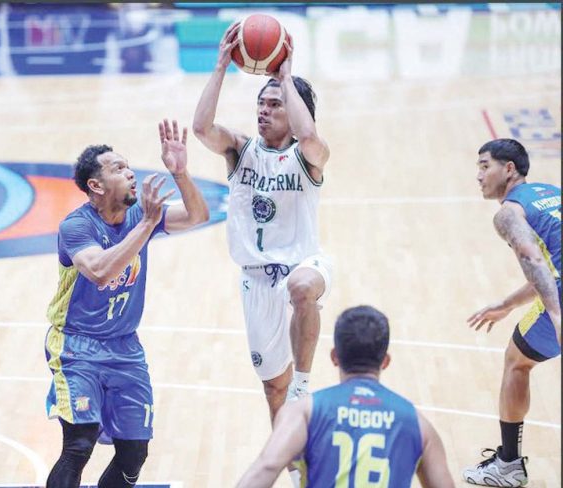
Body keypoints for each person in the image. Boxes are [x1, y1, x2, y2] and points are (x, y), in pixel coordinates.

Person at [193, 22, 333, 483]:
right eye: (262, 103)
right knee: (274, 391)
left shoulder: (307, 155)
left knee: (302, 287)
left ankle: (306, 379)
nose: (264, 111)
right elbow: (201, 128)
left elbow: (311, 138)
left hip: (303, 265)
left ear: (293, 112)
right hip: (255, 281)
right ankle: (296, 472)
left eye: (275, 104)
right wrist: (219, 67)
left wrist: (287, 78)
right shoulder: (240, 150)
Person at [44, 119, 209, 487]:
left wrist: (180, 174)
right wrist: (147, 225)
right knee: (79, 444)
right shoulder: (77, 227)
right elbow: (101, 271)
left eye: (129, 165)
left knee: (134, 452)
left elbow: (199, 215)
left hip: (125, 347)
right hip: (76, 345)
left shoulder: (139, 217)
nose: (131, 173)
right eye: (119, 168)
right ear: (96, 185)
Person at [236, 305, 455, 488]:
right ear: (385, 361)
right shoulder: (418, 425)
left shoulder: (303, 412)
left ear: (334, 357)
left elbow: (266, 468)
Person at [462, 138, 561, 487]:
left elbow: (535, 262)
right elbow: (547, 265)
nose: (478, 175)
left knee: (517, 360)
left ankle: (508, 465)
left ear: (509, 169)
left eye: (484, 165)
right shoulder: (551, 192)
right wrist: (506, 305)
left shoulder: (508, 213)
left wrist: (557, 315)